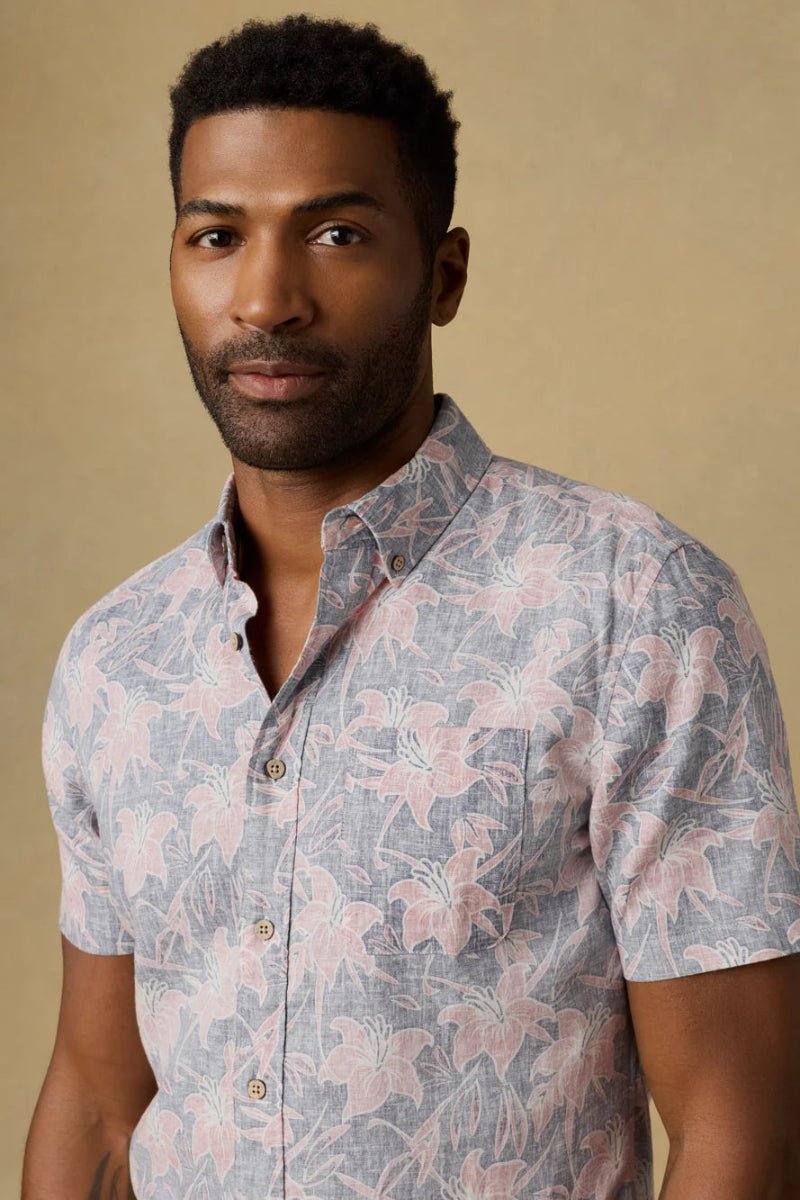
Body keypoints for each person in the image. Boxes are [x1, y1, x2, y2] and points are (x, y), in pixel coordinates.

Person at [22, 14, 800, 1200]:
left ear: (442, 274)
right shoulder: (115, 662)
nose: (266, 299)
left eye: (334, 232)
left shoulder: (628, 602)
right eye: (216, 235)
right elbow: (93, 1099)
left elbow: (736, 1131)